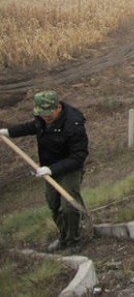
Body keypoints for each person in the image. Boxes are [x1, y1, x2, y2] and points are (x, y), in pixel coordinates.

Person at [0, 91, 89, 253]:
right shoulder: (42, 119)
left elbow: (79, 156)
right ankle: (63, 237)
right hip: (49, 168)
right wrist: (8, 132)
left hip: (70, 169)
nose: (45, 117)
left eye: (48, 114)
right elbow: (31, 127)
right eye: (42, 114)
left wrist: (51, 169)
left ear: (58, 107)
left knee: (68, 206)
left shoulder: (73, 124)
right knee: (54, 205)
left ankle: (74, 240)